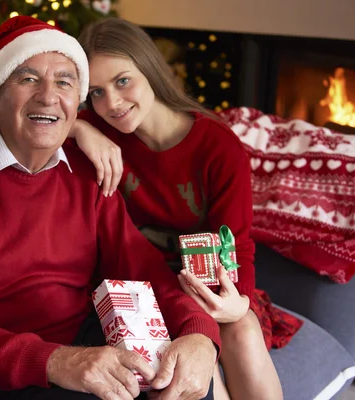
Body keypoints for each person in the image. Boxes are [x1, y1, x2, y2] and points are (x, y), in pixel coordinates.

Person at [0, 16, 220, 400]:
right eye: (27, 78)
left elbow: (141, 264)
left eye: (65, 82)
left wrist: (198, 332)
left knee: (185, 384)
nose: (49, 96)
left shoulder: (87, 169)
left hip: (81, 339)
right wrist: (58, 362)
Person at [63, 18, 283, 400]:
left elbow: (238, 245)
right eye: (96, 92)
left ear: (149, 68)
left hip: (210, 279)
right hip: (141, 285)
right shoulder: (98, 129)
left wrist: (237, 301)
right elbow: (37, 119)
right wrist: (81, 130)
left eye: (122, 80)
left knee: (243, 330)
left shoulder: (217, 146)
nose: (111, 103)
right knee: (190, 363)